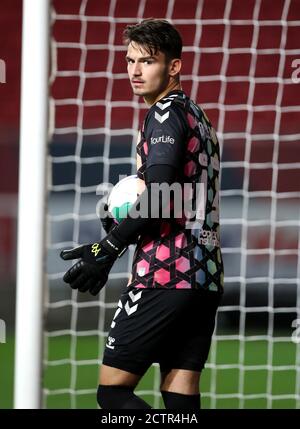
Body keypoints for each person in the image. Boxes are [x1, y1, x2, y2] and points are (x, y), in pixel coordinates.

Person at [60, 18, 224, 410]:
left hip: (165, 274)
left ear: (173, 66)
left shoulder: (165, 114)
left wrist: (108, 246)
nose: (134, 70)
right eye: (130, 60)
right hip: (204, 275)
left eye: (147, 61)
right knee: (179, 399)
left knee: (113, 393)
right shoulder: (197, 116)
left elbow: (162, 192)